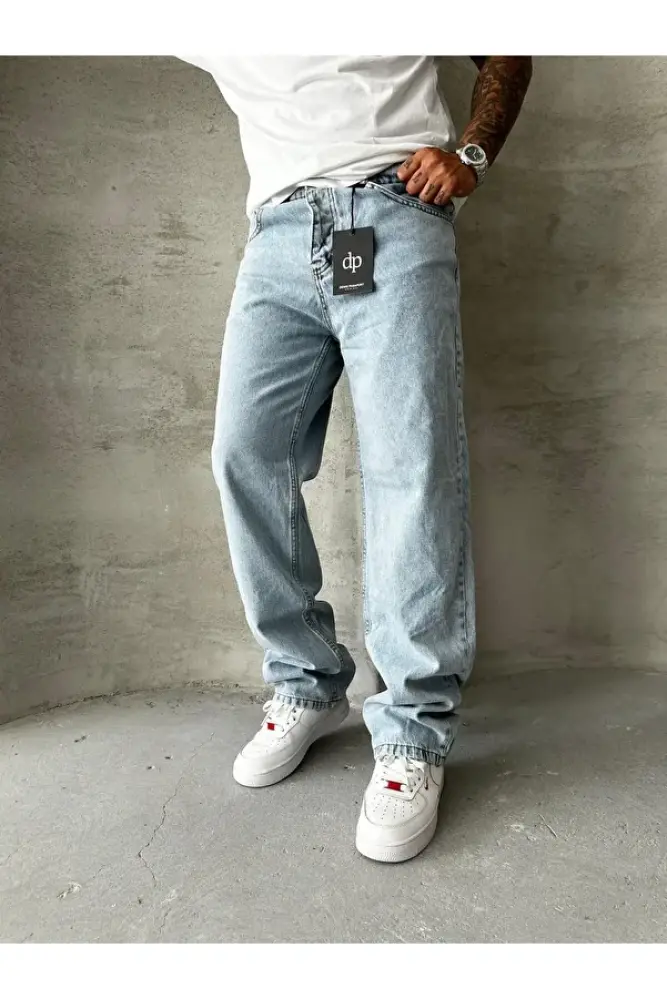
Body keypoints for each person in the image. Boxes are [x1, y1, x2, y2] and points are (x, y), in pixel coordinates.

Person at [179, 55, 532, 862]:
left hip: (393, 208)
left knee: (410, 469)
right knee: (245, 454)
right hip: (278, 233)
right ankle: (305, 681)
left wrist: (471, 153)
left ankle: (413, 730)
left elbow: (507, 44)